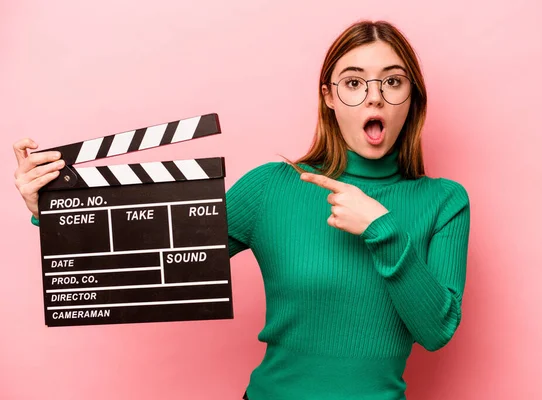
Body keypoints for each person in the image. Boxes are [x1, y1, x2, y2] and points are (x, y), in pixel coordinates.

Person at [13, 19, 471, 400]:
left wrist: (382, 229)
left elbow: (436, 331)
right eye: (354, 82)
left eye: (392, 81)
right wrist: (52, 211)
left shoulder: (444, 202)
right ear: (329, 97)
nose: (374, 97)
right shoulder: (272, 188)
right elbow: (158, 259)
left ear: (412, 97)